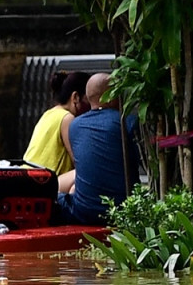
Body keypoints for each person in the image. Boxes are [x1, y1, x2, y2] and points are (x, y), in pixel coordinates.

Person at [56, 72, 140, 226]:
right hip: (124, 210)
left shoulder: (75, 126)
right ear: (113, 94)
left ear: (88, 97)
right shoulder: (128, 122)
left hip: (83, 213)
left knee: (57, 198)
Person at [22, 69, 90, 193]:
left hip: (28, 177)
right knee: (87, 172)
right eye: (88, 99)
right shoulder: (67, 118)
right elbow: (78, 160)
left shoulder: (48, 114)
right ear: (75, 97)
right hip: (42, 182)